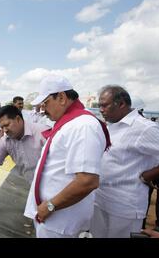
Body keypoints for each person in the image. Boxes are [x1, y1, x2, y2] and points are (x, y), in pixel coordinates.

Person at [23, 75, 111, 238]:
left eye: (45, 103)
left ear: (61, 97)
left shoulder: (83, 126)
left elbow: (87, 181)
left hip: (61, 223)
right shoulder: (69, 123)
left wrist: (50, 206)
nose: (43, 109)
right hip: (53, 219)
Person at [90, 85, 159, 238]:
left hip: (124, 206)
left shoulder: (144, 128)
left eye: (104, 105)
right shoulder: (110, 125)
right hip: (101, 199)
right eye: (99, 106)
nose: (101, 110)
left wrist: (146, 176)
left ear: (121, 104)